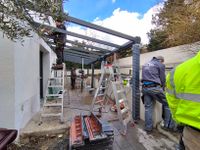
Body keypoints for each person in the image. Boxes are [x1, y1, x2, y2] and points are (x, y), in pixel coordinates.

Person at [166, 52, 200, 150]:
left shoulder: (177, 71)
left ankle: (150, 127)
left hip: (192, 134)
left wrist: (178, 121)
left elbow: (172, 102)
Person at [141, 56, 174, 132]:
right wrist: (163, 88)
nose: (163, 63)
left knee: (148, 108)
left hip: (145, 88)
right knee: (167, 103)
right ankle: (167, 125)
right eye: (163, 62)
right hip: (154, 88)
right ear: (161, 60)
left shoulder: (145, 64)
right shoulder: (160, 64)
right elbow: (162, 78)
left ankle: (148, 128)